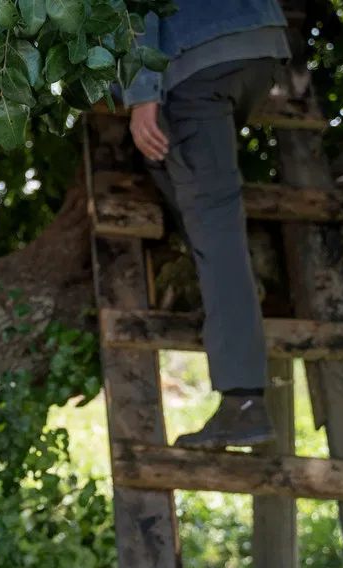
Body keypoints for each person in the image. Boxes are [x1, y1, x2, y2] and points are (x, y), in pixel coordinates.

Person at [123, 0, 292, 449]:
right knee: (185, 183)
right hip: (259, 43)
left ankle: (243, 400)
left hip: (197, 60)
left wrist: (142, 94)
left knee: (215, 223)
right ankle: (225, 295)